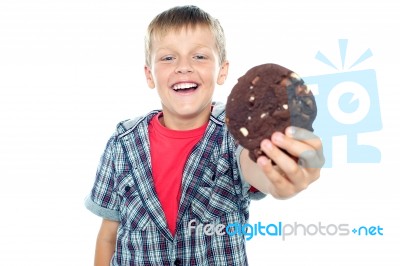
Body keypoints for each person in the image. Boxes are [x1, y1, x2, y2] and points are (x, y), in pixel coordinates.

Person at [85, 5, 324, 265]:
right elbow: (108, 235)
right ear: (149, 75)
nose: (183, 67)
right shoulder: (123, 144)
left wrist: (280, 176)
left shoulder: (233, 134)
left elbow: (252, 164)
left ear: (222, 71)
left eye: (199, 56)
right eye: (168, 58)